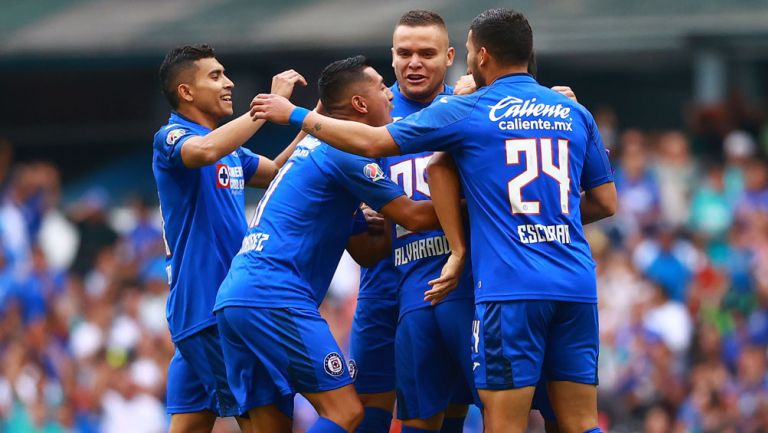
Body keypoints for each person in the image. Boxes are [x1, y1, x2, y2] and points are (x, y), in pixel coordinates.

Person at [249, 8, 617, 433]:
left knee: (494, 413)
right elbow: (366, 243)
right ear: (390, 57)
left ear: (454, 57)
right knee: (375, 411)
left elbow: (427, 165)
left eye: (427, 52)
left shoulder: (463, 108)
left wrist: (466, 238)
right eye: (404, 53)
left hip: (476, 286)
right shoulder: (369, 106)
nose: (414, 62)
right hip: (396, 290)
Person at [214, 56, 444, 433]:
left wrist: (382, 217)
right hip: (275, 295)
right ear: (359, 104)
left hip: (237, 299)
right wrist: (485, 204)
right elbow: (415, 217)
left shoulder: (316, 152)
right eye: (381, 87)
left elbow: (366, 251)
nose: (390, 94)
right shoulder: (347, 153)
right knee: (346, 412)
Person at [152, 44, 306, 433]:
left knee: (188, 425)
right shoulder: (173, 137)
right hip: (209, 306)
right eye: (216, 76)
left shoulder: (229, 148)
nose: (229, 82)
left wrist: (313, 122)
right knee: (266, 422)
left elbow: (273, 171)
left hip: (214, 307)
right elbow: (204, 150)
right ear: (186, 92)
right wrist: (266, 108)